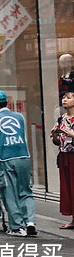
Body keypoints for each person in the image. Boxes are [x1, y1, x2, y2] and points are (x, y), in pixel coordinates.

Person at [0, 89, 36, 237]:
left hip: (5, 159)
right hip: (23, 156)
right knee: (25, 191)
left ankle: (17, 227)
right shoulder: (19, 117)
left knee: (9, 193)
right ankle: (30, 221)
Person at [51, 90, 74, 229]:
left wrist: (70, 133)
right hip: (65, 155)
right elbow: (57, 141)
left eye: (69, 98)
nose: (64, 100)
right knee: (68, 188)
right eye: (64, 97)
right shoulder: (62, 118)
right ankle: (73, 218)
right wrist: (55, 135)